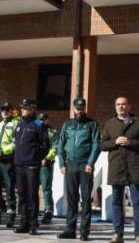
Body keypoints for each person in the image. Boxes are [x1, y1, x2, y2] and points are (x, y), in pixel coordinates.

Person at [100, 96, 139, 243]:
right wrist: (115, 142)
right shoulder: (110, 123)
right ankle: (118, 234)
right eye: (118, 104)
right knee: (116, 203)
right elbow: (102, 145)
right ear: (115, 107)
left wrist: (130, 142)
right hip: (117, 168)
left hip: (135, 168)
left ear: (129, 106)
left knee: (137, 203)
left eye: (123, 104)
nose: (121, 107)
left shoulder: (138, 122)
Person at [56, 97, 100, 241]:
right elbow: (60, 145)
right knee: (71, 199)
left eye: (82, 108)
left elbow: (96, 145)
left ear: (85, 108)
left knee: (86, 199)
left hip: (85, 165)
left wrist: (90, 163)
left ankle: (84, 231)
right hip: (70, 165)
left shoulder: (92, 124)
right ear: (74, 108)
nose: (80, 110)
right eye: (77, 108)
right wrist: (62, 164)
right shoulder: (67, 124)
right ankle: (70, 229)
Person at [13, 98, 50, 235]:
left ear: (32, 109)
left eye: (25, 108)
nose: (22, 110)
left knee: (32, 194)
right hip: (19, 164)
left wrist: (35, 158)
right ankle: (24, 223)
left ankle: (33, 224)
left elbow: (46, 145)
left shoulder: (39, 124)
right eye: (22, 107)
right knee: (22, 194)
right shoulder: (19, 123)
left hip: (31, 165)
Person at [0, 102, 18, 227]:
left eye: (7, 110)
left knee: (10, 188)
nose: (4, 112)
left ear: (12, 111)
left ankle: (10, 216)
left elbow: (16, 142)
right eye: (3, 110)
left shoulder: (16, 124)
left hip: (8, 160)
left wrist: (3, 151)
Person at [38, 113, 58, 226]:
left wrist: (46, 158)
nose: (41, 121)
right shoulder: (35, 130)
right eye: (40, 120)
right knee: (33, 188)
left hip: (46, 164)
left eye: (43, 119)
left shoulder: (52, 132)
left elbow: (55, 147)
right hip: (34, 163)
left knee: (46, 188)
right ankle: (34, 209)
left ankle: (48, 211)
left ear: (47, 120)